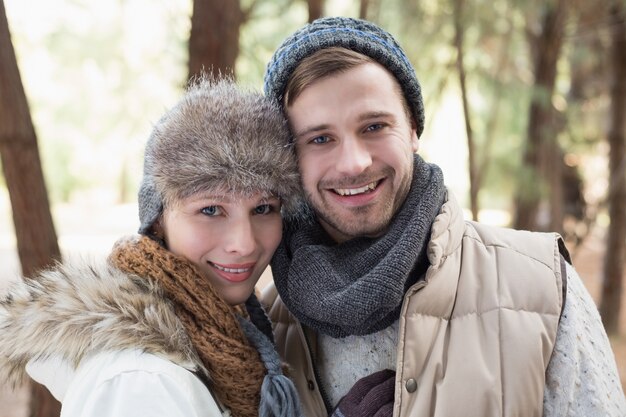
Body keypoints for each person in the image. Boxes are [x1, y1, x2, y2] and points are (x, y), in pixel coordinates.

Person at [261, 16, 626, 417]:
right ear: (289, 156)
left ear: (414, 127)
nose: (353, 162)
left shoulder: (542, 287)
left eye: (374, 126)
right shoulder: (267, 326)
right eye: (320, 139)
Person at [0, 78, 303, 417]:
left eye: (263, 209)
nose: (244, 243)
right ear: (157, 220)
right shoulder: (139, 383)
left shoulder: (233, 330)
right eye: (210, 210)